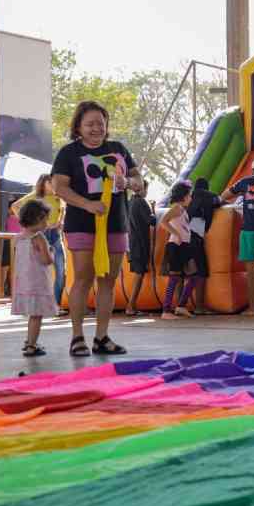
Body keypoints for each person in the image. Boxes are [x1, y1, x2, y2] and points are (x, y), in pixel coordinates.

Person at [51, 101, 141, 357]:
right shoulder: (68, 153)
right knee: (82, 279)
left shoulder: (119, 149)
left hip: (116, 223)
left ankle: (102, 337)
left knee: (108, 281)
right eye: (90, 123)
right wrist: (87, 205)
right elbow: (59, 187)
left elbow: (139, 181)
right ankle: (77, 337)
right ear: (78, 126)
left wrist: (129, 182)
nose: (96, 128)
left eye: (100, 123)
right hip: (82, 224)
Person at [221, 157, 254, 316]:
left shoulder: (245, 181)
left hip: (249, 229)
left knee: (251, 273)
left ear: (252, 169)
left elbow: (224, 196)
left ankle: (252, 308)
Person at [11, 200, 58, 357]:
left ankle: (29, 340)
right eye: (44, 219)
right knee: (36, 315)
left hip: (24, 283)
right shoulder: (39, 238)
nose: (47, 222)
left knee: (32, 315)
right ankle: (31, 345)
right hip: (38, 282)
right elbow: (46, 260)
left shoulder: (19, 238)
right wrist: (51, 252)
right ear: (36, 219)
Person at [11, 174, 65, 306]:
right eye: (50, 183)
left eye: (53, 183)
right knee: (38, 270)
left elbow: (63, 210)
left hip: (55, 235)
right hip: (40, 234)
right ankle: (40, 302)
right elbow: (15, 206)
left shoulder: (59, 197)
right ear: (43, 183)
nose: (52, 185)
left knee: (61, 270)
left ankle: (55, 303)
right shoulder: (35, 196)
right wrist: (29, 224)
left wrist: (60, 222)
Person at [160, 181, 200, 320]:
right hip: (176, 246)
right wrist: (176, 233)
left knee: (194, 275)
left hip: (184, 246)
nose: (191, 198)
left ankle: (181, 306)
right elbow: (163, 221)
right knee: (174, 278)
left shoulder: (183, 210)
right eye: (189, 195)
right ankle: (166, 310)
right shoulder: (176, 208)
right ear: (183, 196)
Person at [185, 177, 221, 314]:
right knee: (201, 271)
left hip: (181, 237)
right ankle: (199, 306)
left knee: (182, 273)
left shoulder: (190, 197)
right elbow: (220, 201)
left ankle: (177, 306)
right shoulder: (209, 196)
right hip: (195, 238)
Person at [125, 179, 156, 315]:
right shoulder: (141, 202)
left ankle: (131, 306)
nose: (146, 192)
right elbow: (152, 221)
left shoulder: (130, 202)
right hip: (140, 244)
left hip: (131, 244)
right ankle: (131, 306)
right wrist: (153, 208)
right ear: (142, 189)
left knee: (139, 274)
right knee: (139, 275)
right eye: (146, 189)